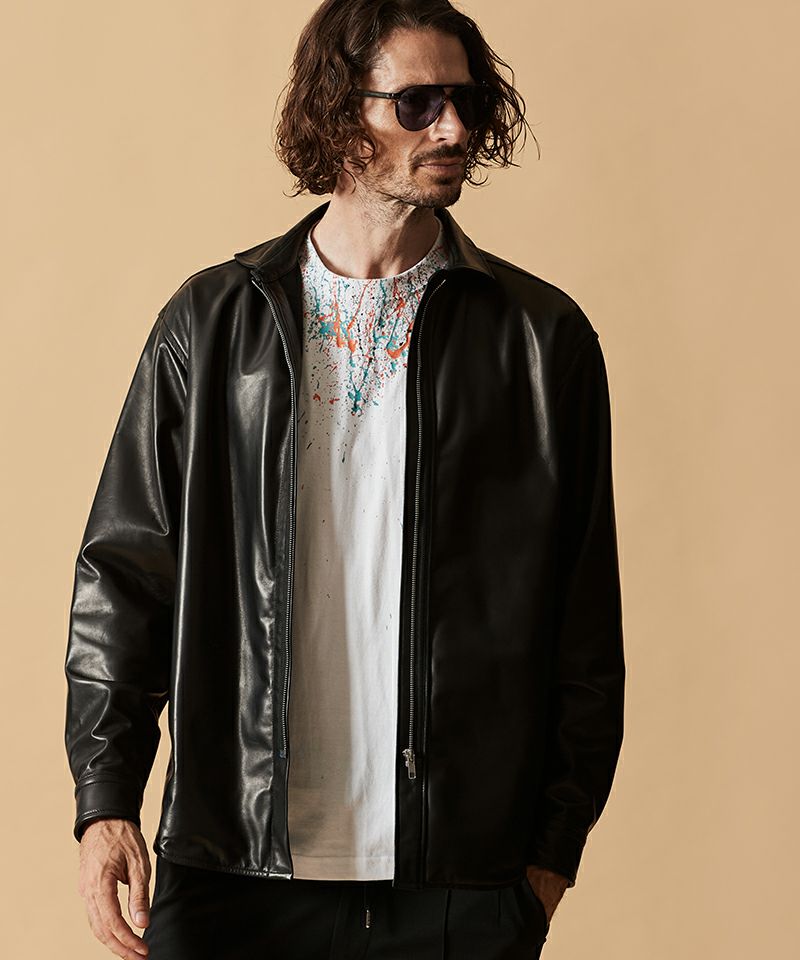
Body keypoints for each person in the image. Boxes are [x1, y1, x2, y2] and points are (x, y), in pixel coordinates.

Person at [64, 1, 626, 958]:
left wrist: (547, 858)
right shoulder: (211, 325)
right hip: (234, 867)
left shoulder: (541, 341)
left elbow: (584, 620)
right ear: (338, 111)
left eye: (466, 100)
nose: (452, 126)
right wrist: (105, 797)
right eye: (417, 103)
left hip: (459, 882)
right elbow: (124, 574)